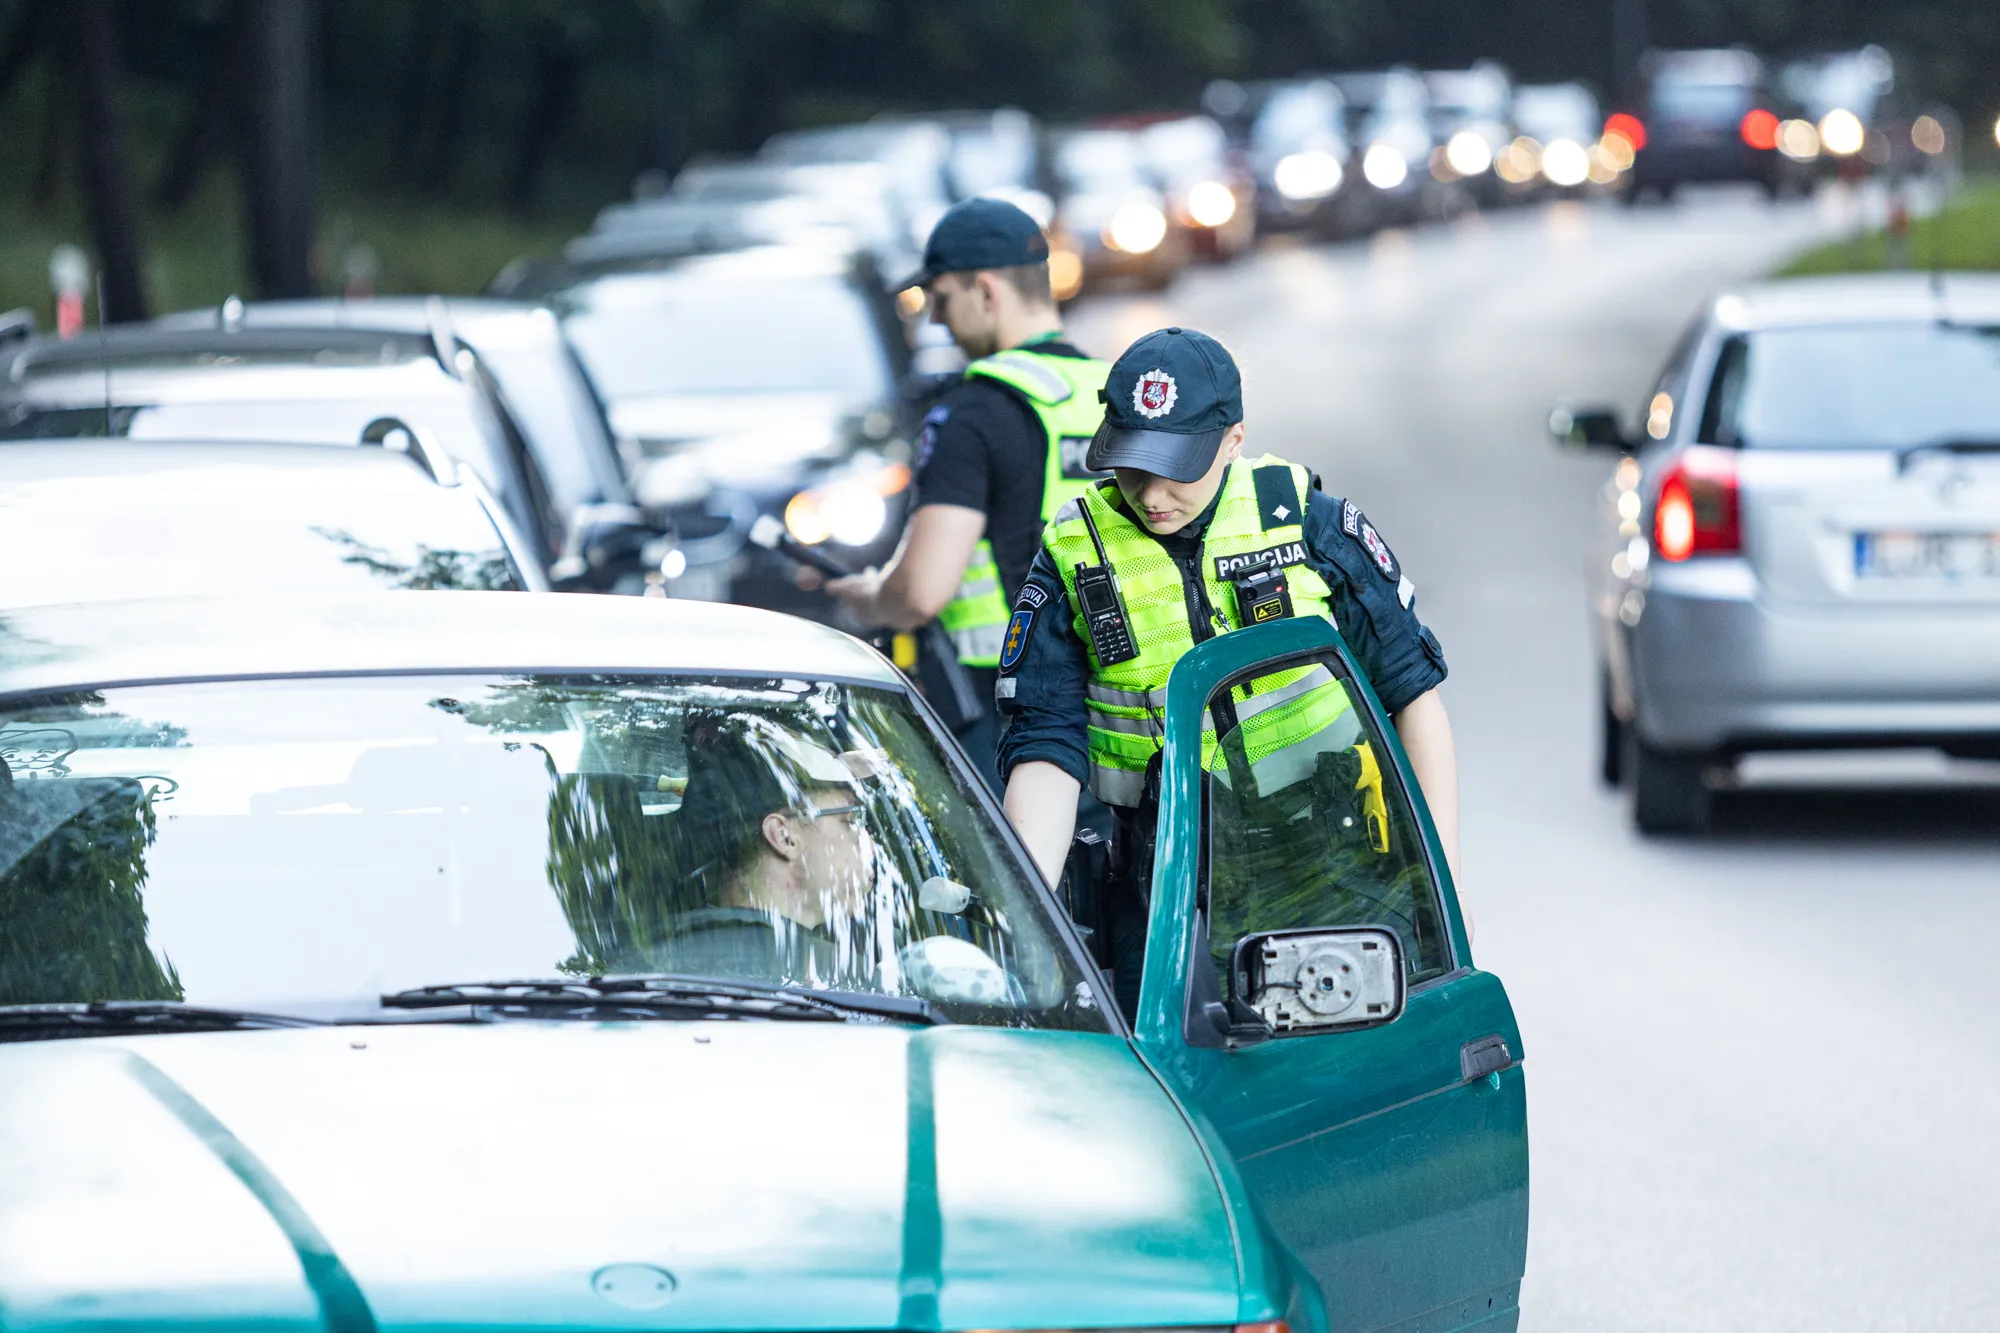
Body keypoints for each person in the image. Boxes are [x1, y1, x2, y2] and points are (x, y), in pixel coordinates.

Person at [994, 327, 1460, 1009]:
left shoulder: (1304, 523)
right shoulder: (1073, 555)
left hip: (1337, 873)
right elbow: (1045, 750)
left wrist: (1440, 888)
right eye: (1130, 466)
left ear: (1233, 440)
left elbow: (1413, 695)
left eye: (1175, 468)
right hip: (1165, 896)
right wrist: (1023, 922)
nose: (1151, 494)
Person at [828, 198, 1111, 788]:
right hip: (1123, 695)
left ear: (986, 290)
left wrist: (868, 599)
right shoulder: (1107, 390)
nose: (935, 320)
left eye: (941, 298)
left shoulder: (970, 413)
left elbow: (922, 592)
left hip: (1008, 712)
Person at [659, 721, 874, 986]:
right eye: (851, 821)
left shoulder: (672, 961)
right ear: (784, 837)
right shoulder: (865, 984)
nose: (871, 842)